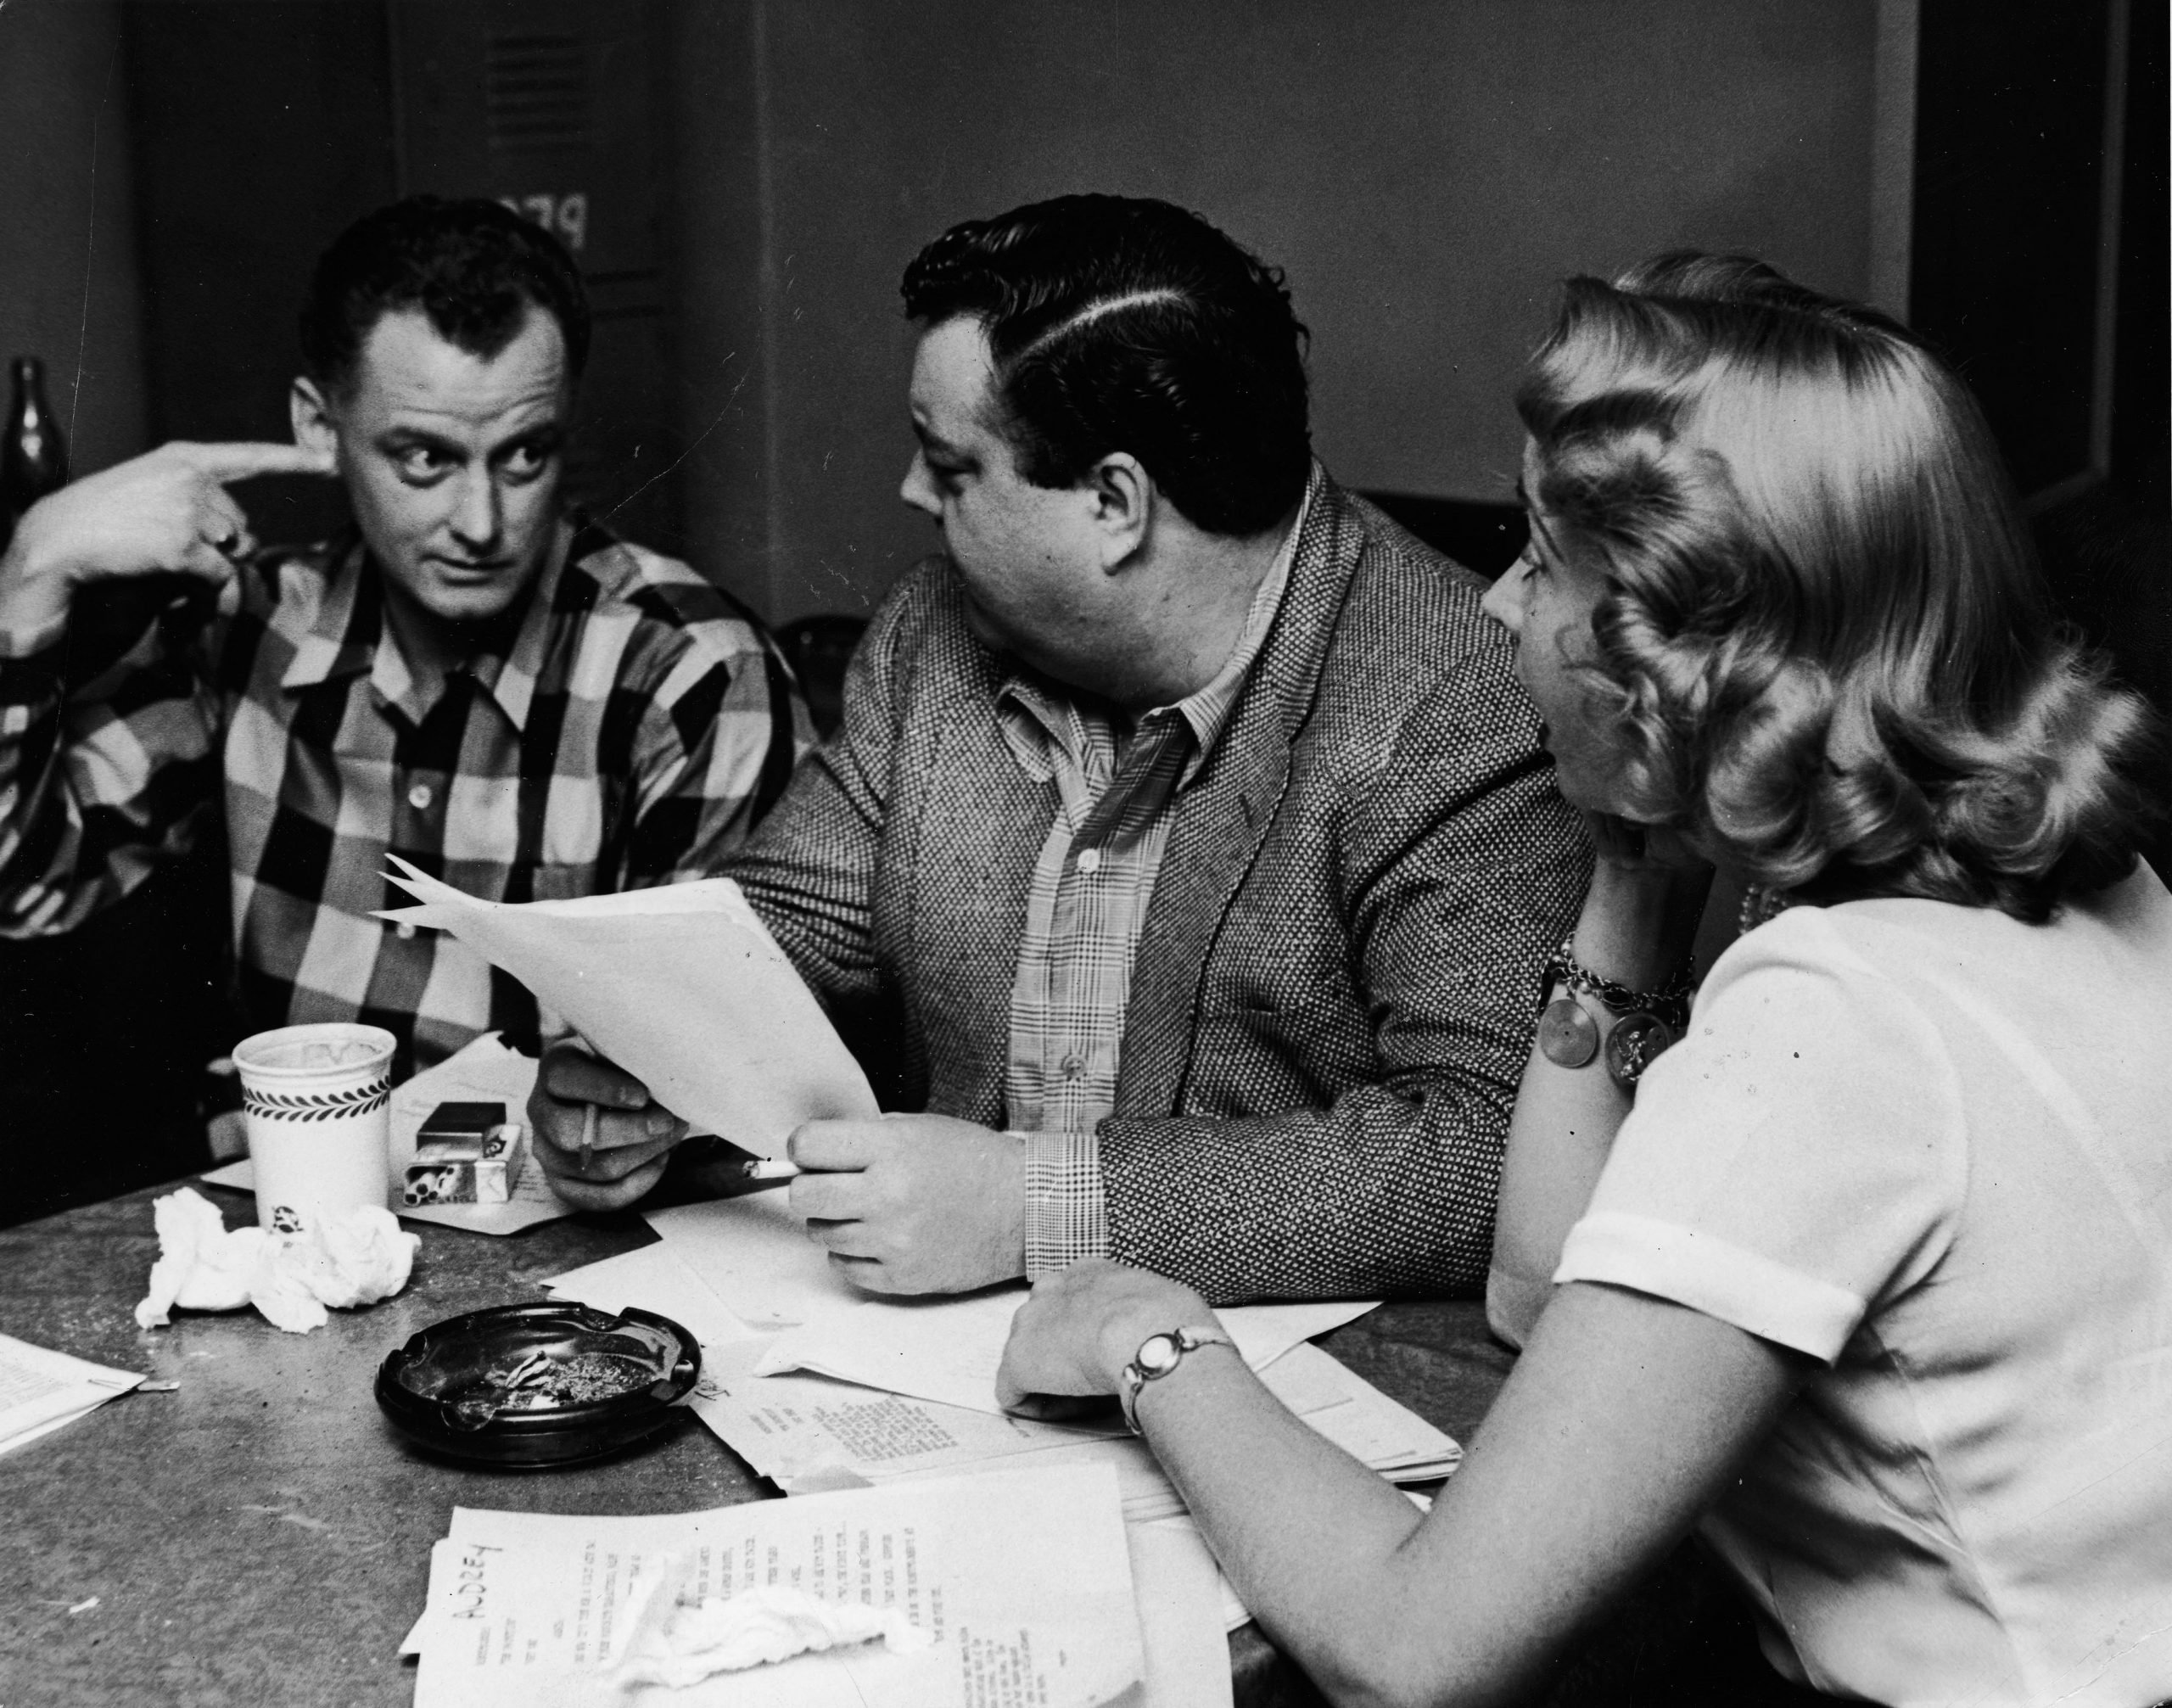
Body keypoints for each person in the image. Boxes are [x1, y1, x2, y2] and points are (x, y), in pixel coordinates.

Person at [994, 255, 2172, 1707]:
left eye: (1545, 564)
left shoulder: (1836, 1025)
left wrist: (1152, 1340)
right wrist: (1635, 867)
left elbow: (1414, 1649)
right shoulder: (2065, 896)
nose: (1497, 602)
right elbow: (1547, 1295)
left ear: (1673, 654)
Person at [531, 193, 1588, 1301]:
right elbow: (780, 937)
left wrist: (1031, 1212)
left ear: (1114, 503)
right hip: (921, 1361)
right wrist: (646, 1072)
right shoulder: (935, 634)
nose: (908, 496)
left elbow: (1483, 1151)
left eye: (950, 470)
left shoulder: (1461, 703)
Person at [0, 196, 808, 1077]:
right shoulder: (253, 622)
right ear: (319, 426)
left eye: (524, 455)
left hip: (576, 1210)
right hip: (303, 1202)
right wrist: (30, 574)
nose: (482, 522)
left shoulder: (692, 675)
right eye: (424, 458)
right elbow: (27, 888)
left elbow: (730, 1072)